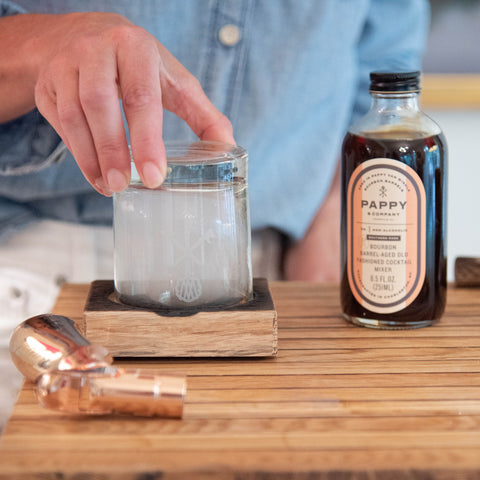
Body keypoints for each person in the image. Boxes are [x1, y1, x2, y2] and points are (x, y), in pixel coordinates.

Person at [0, 2, 430, 420]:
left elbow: (381, 57)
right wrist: (42, 44)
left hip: (276, 277)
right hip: (38, 278)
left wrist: (331, 217)